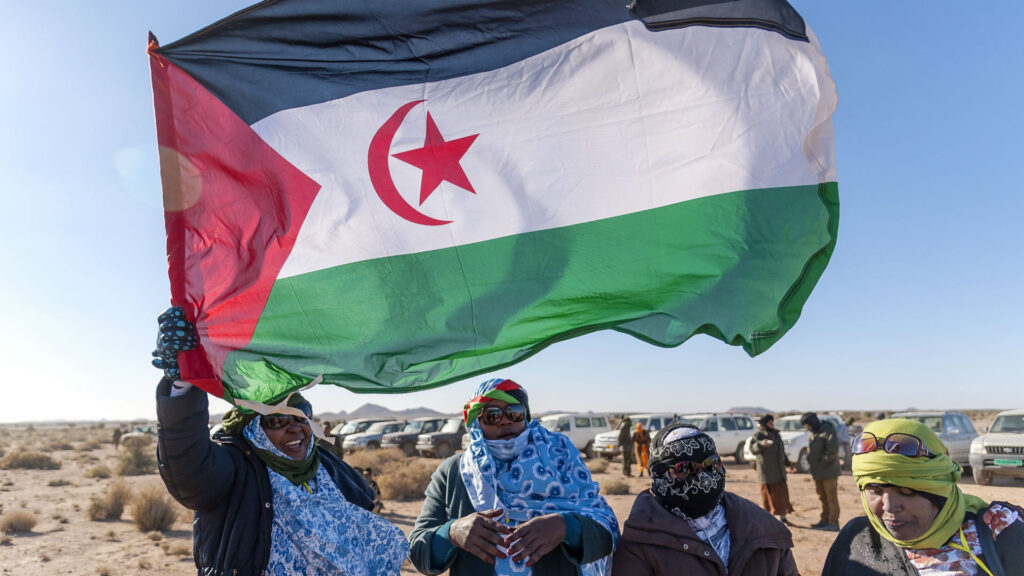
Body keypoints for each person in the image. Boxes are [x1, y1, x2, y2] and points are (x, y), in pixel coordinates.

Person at [151, 307, 408, 575]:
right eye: (276, 421)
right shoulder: (236, 469)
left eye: (302, 418)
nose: (294, 429)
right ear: (253, 429)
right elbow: (189, 471)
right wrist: (182, 381)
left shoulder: (332, 469)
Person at [409, 378, 618, 576]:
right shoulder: (453, 472)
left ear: (525, 417)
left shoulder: (560, 459)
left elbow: (606, 534)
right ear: (476, 423)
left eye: (515, 412)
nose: (505, 422)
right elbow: (418, 552)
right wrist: (451, 533)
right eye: (492, 415)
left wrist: (566, 526)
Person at [823, 418, 1024, 575]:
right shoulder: (855, 540)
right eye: (875, 491)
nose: (889, 507)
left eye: (907, 492)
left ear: (939, 490)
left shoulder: (1001, 532)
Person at [612, 423, 799, 575]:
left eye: (711, 465)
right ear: (660, 476)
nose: (703, 478)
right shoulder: (642, 541)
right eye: (685, 469)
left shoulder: (762, 528)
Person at [749, 414, 794, 525]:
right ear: (764, 424)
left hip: (779, 472)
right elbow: (753, 448)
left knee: (782, 497)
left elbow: (781, 452)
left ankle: (783, 518)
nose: (772, 425)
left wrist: (788, 464)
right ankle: (769, 521)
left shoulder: (776, 434)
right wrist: (761, 444)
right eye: (770, 423)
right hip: (767, 473)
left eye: (773, 422)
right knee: (768, 498)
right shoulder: (758, 435)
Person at [801, 411, 841, 531]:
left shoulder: (828, 431)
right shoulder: (814, 432)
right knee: (822, 497)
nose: (806, 428)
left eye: (807, 425)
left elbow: (832, 452)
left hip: (829, 472)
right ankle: (824, 520)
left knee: (831, 498)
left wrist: (820, 462)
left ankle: (833, 523)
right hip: (818, 472)